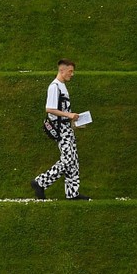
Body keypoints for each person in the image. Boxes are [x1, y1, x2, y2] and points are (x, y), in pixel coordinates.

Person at [31, 59, 90, 200]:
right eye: (70, 71)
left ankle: (72, 193)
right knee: (68, 160)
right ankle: (40, 182)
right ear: (61, 70)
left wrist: (74, 122)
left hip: (67, 128)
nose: (72, 74)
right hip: (61, 130)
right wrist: (69, 115)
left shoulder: (62, 86)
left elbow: (61, 109)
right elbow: (49, 109)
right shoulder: (54, 87)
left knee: (73, 160)